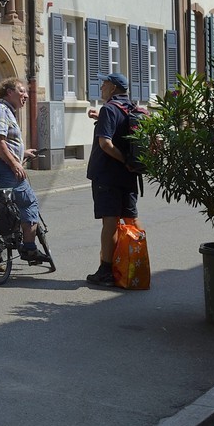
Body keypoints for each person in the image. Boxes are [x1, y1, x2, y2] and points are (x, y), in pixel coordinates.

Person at [0, 79, 50, 263]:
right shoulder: (0, 110)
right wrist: (14, 164)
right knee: (28, 203)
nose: (25, 95)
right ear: (9, 92)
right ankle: (30, 249)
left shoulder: (4, 111)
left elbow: (3, 142)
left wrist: (22, 153)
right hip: (1, 168)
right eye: (21, 91)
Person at [86, 72, 141, 287]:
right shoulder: (133, 108)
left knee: (109, 222)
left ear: (112, 87)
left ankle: (106, 270)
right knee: (131, 219)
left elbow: (106, 144)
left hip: (107, 174)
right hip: (128, 176)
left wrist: (124, 159)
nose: (101, 89)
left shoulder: (109, 109)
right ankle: (135, 262)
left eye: (104, 85)